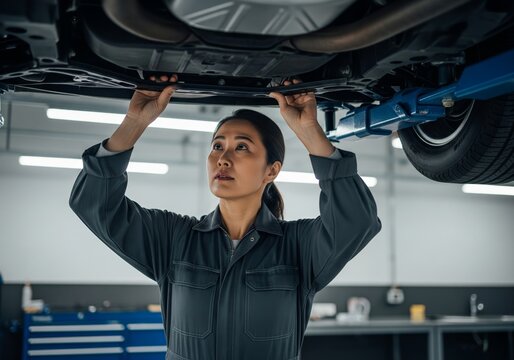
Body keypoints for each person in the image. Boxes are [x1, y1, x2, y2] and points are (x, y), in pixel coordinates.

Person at [69, 74, 382, 360]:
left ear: (271, 171)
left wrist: (310, 132)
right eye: (217, 146)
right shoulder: (175, 238)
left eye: (241, 147)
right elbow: (95, 203)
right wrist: (134, 121)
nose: (223, 158)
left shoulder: (298, 247)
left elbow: (356, 220)